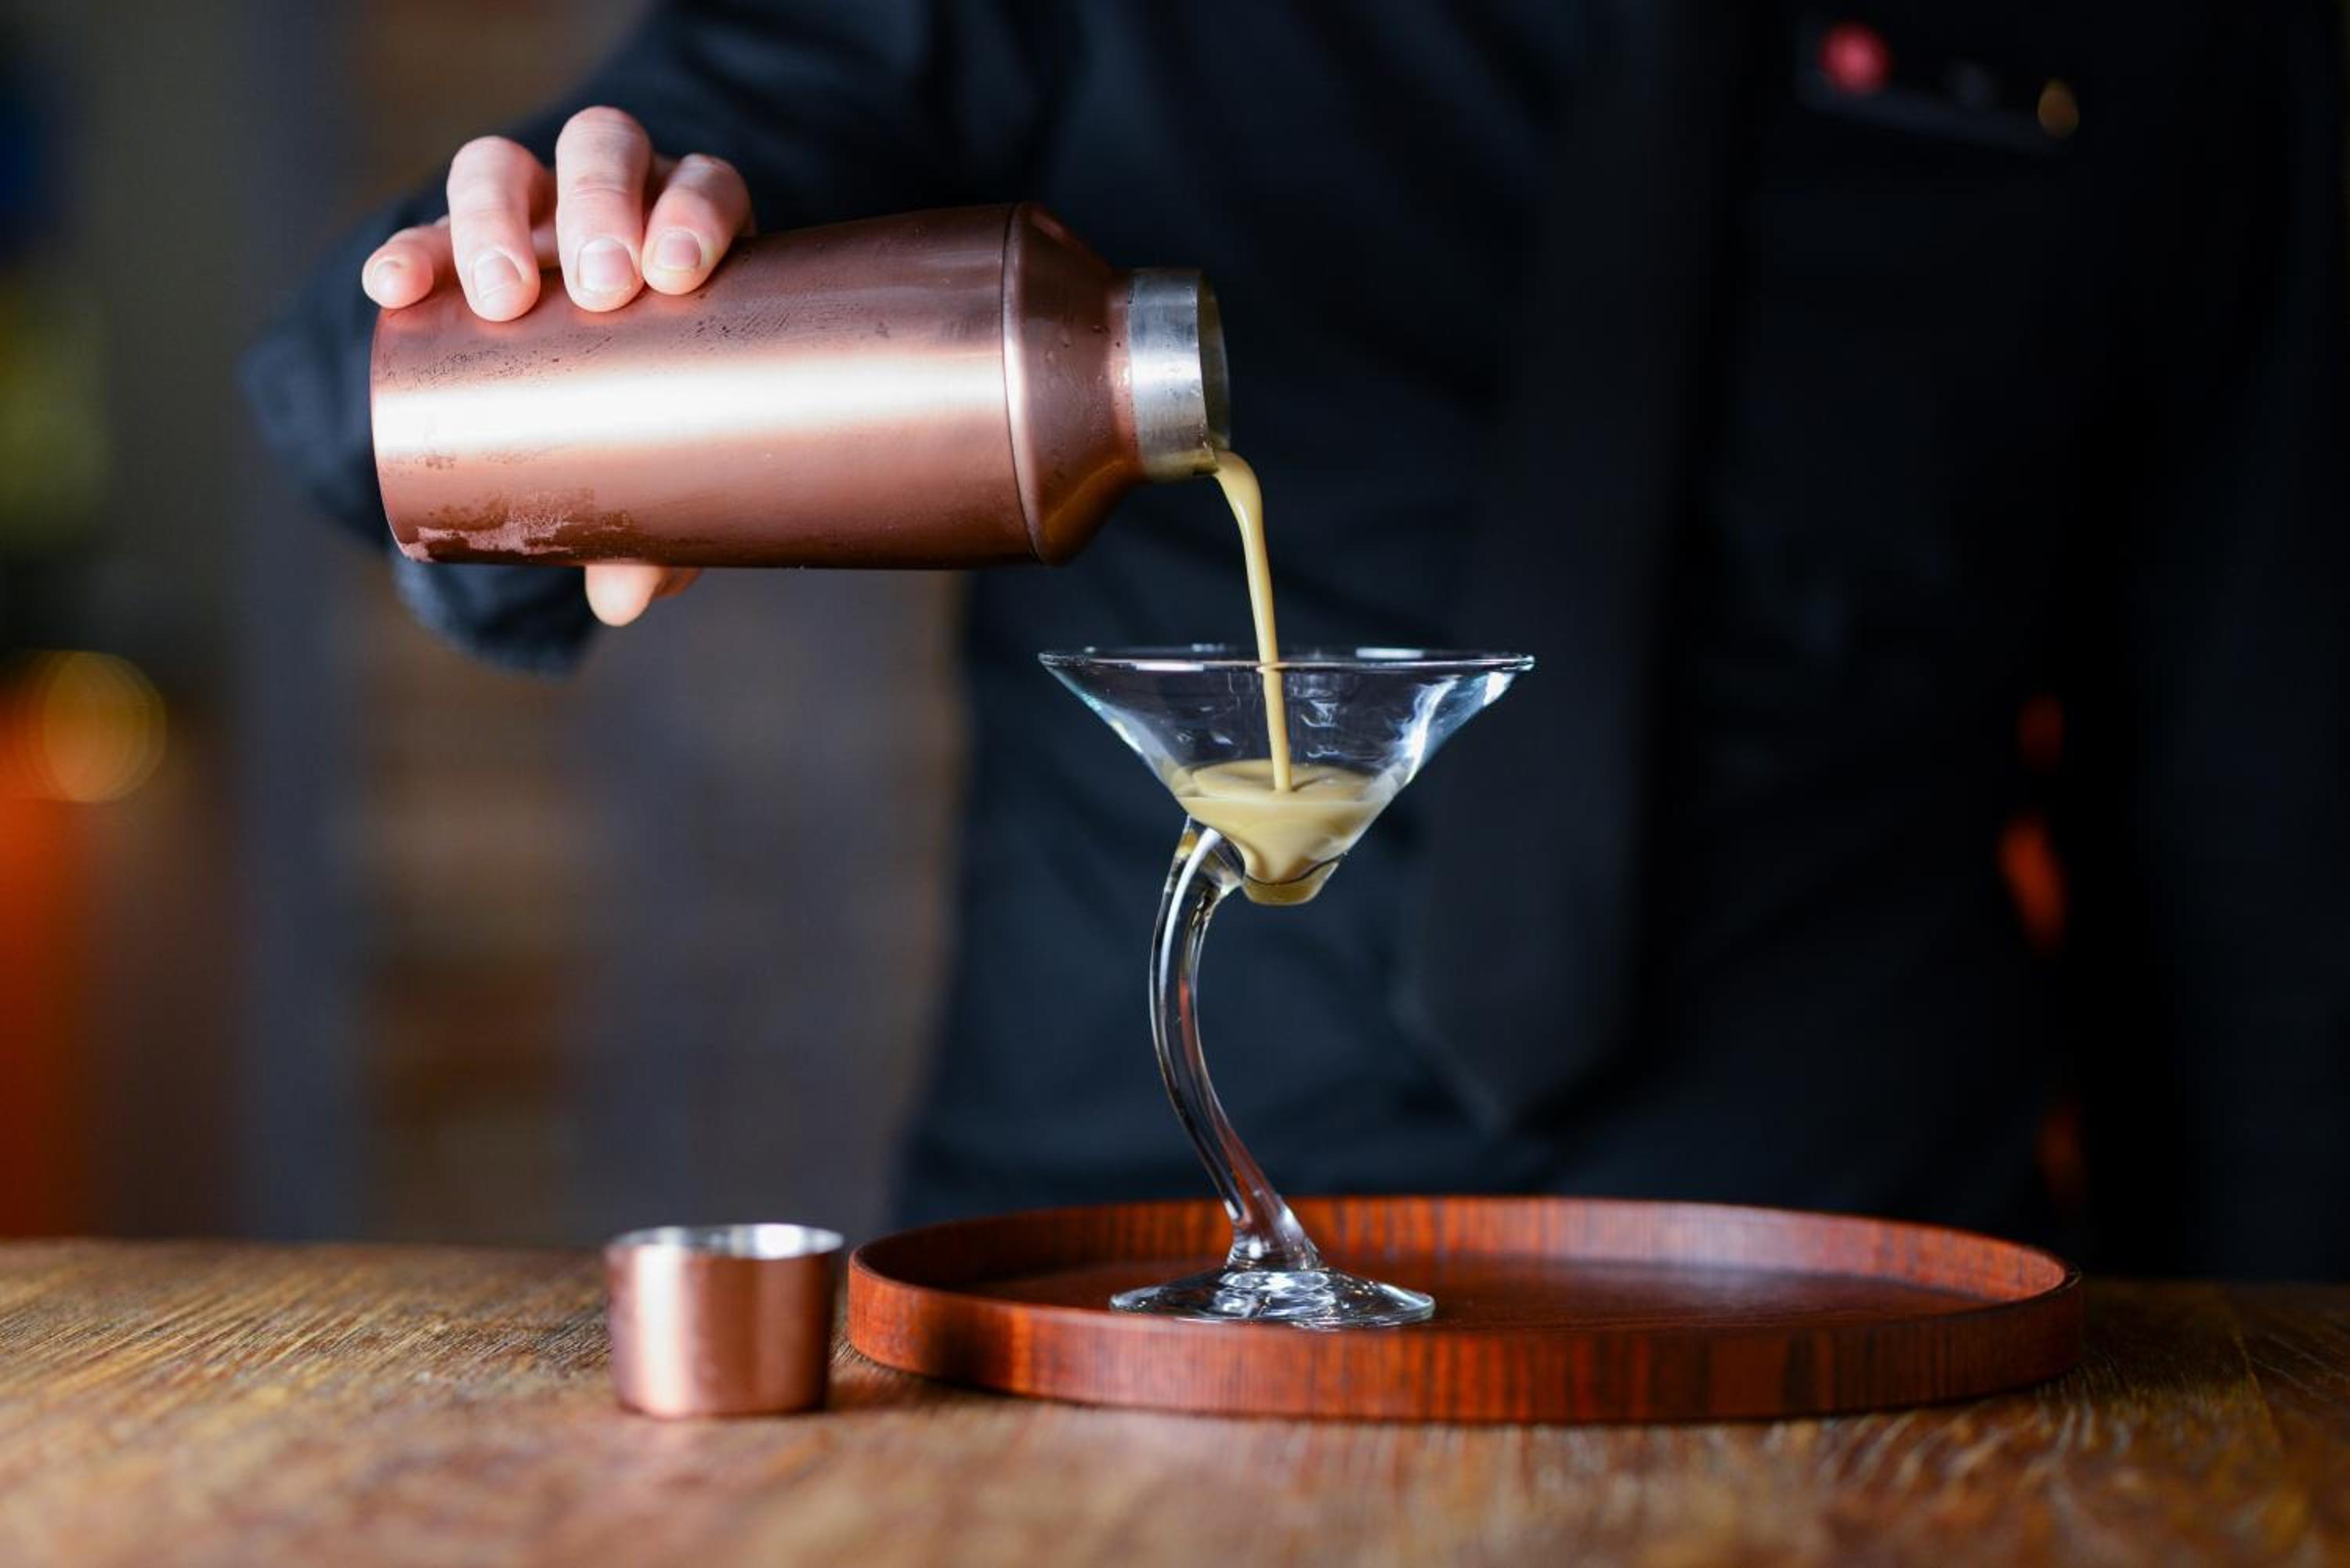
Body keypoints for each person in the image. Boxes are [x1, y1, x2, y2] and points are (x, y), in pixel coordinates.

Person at [246, 1, 2350, 1277]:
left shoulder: (2182, 37)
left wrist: (2273, 1381)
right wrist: (564, 298)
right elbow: (359, 389)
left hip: (1855, 1274)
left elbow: (2262, 834)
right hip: (1092, 1265)